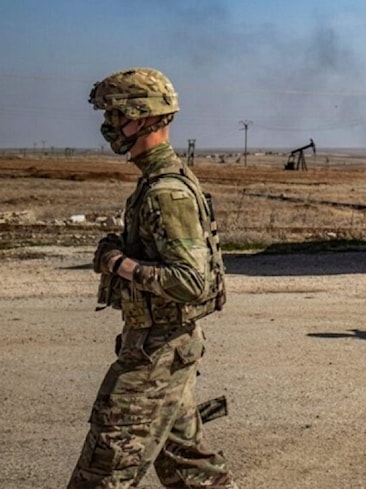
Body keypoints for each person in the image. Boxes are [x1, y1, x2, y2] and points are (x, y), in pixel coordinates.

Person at [68, 67, 235, 489]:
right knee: (190, 468)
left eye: (114, 114)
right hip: (163, 345)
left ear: (143, 117)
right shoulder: (158, 181)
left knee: (104, 469)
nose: (108, 125)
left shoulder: (166, 191)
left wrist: (115, 263)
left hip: (155, 354)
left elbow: (190, 281)